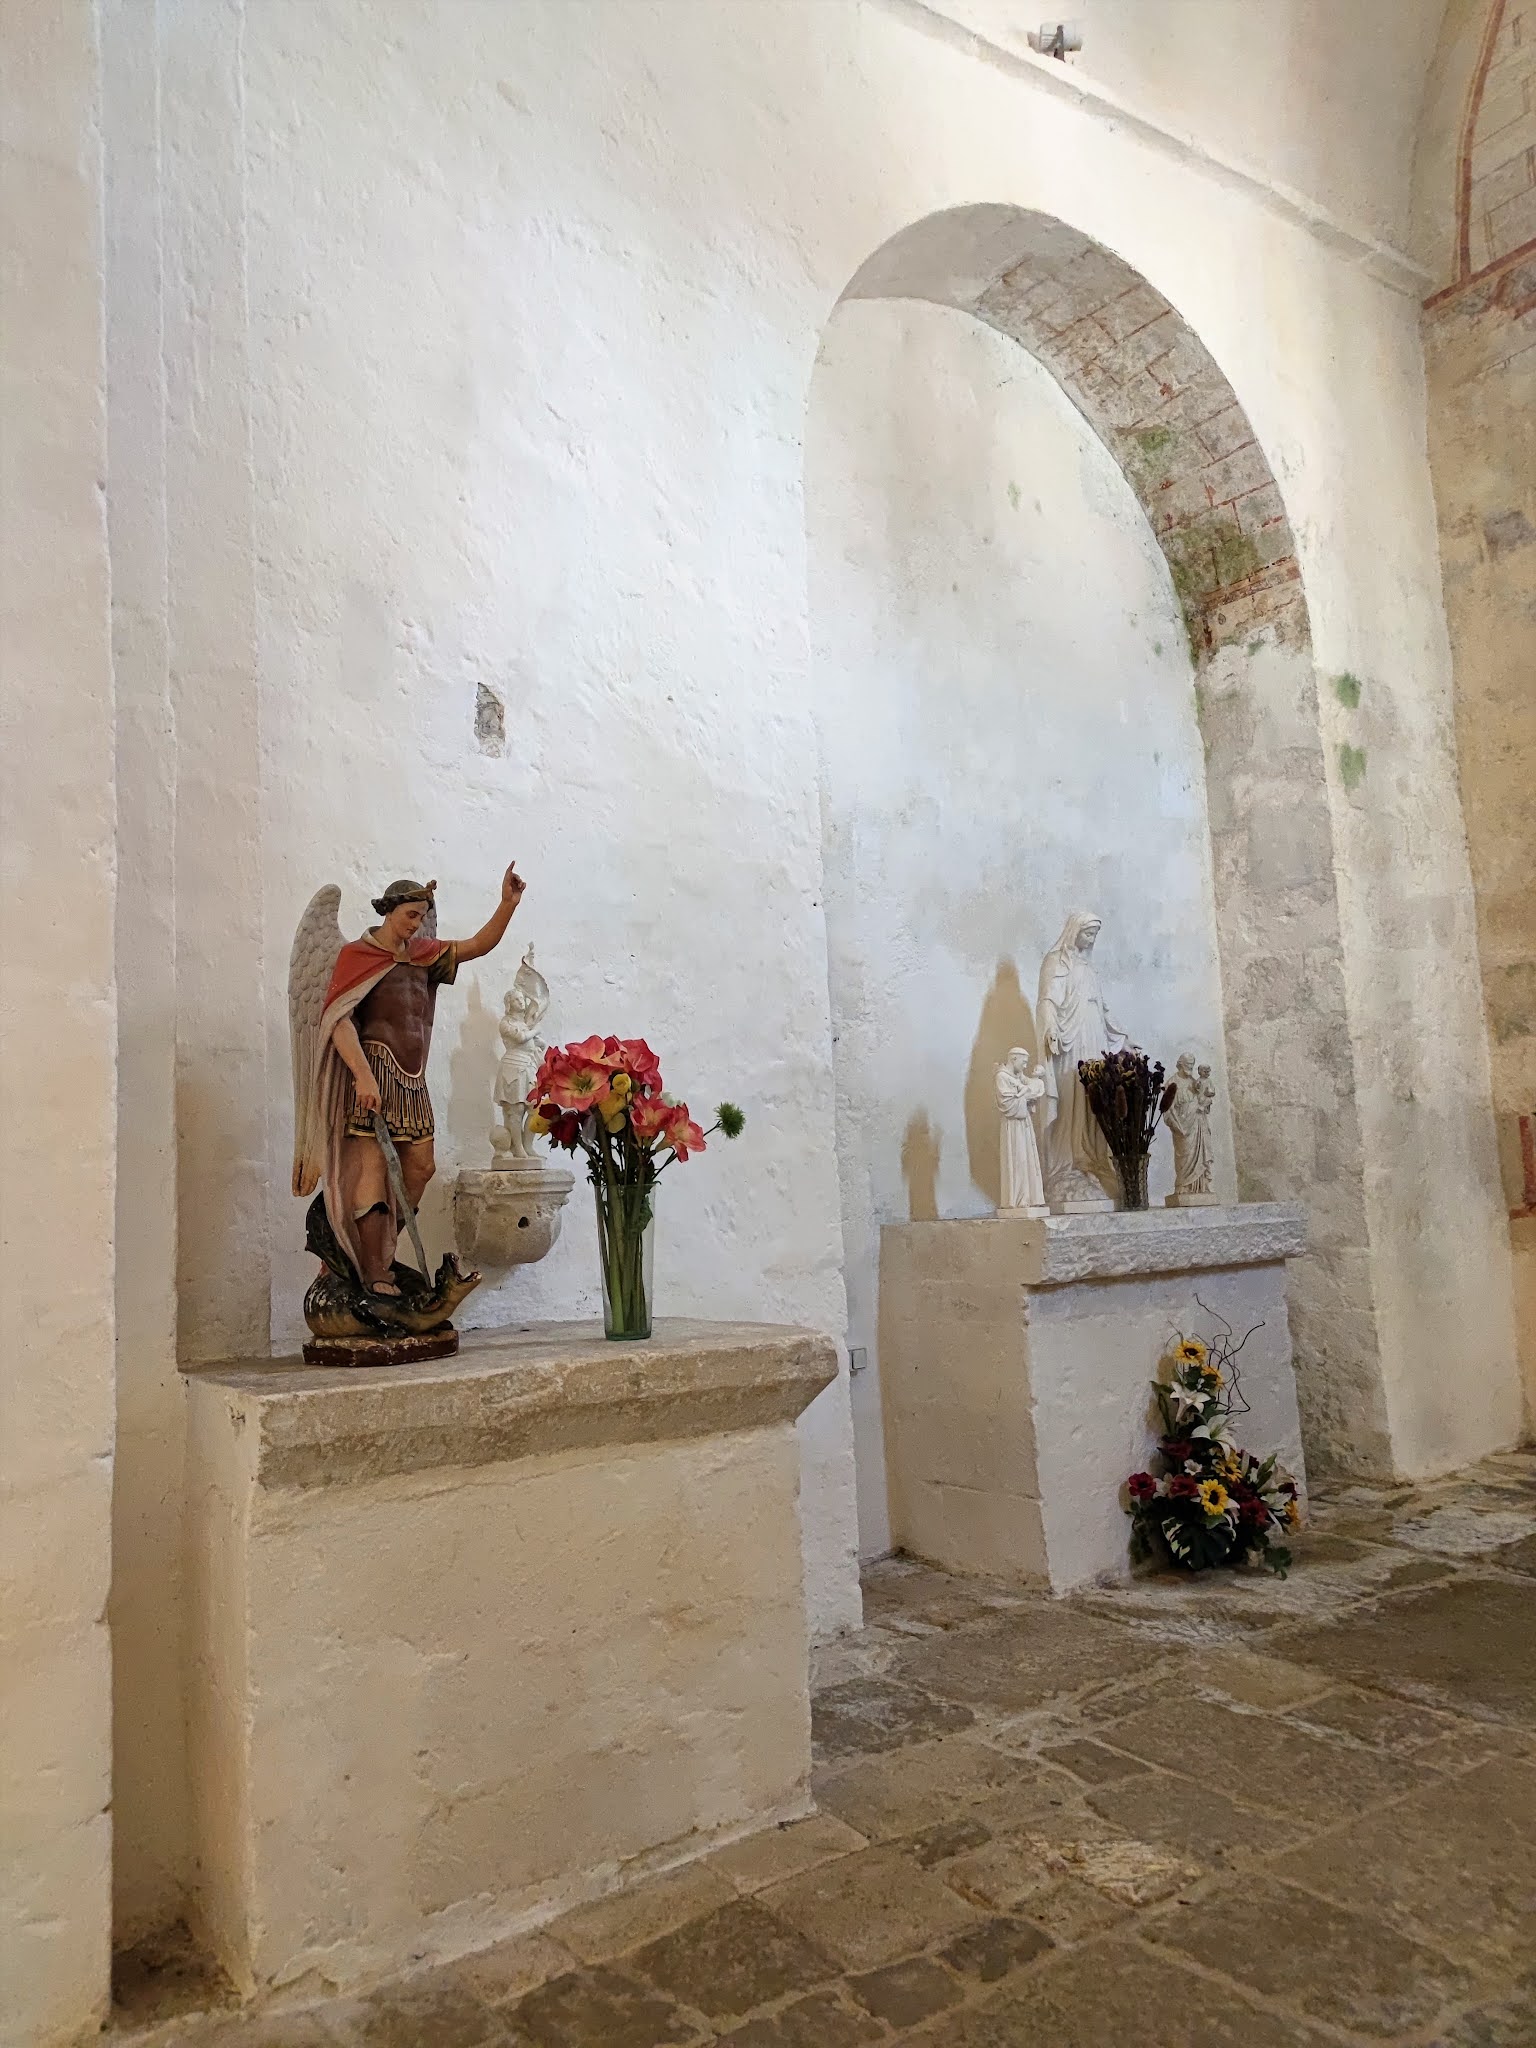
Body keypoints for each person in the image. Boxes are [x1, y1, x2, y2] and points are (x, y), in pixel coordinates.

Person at [308, 866, 525, 1293]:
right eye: (410, 915)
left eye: (422, 916)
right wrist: (363, 1076)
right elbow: (338, 1021)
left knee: (421, 1167)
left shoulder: (424, 953)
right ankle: (374, 1270)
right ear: (389, 911)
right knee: (372, 1170)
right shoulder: (357, 955)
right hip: (374, 1070)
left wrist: (507, 905)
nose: (416, 923)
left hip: (411, 1078)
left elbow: (477, 945)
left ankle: (377, 1249)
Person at [1035, 910, 1132, 1207]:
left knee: (1095, 1100)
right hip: (1071, 1040)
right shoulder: (1056, 961)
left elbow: (1103, 1009)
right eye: (1087, 933)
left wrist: (1122, 1038)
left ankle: (1094, 1160)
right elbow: (1047, 1000)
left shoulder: (1089, 968)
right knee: (1073, 1095)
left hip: (1094, 1035)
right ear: (1074, 931)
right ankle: (1070, 1161)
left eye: (1094, 935)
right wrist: (1050, 1027)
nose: (1091, 940)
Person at [995, 1048, 1048, 1213]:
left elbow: (1030, 1088)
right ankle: (1017, 1199)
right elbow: (1006, 1102)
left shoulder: (1019, 1077)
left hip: (1024, 1122)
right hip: (1013, 1125)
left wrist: (1029, 1096)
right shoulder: (1002, 1077)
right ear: (1013, 1059)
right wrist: (1025, 1097)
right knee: (1018, 1159)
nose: (1025, 1066)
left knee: (1026, 1159)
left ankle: (1030, 1197)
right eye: (1023, 1062)